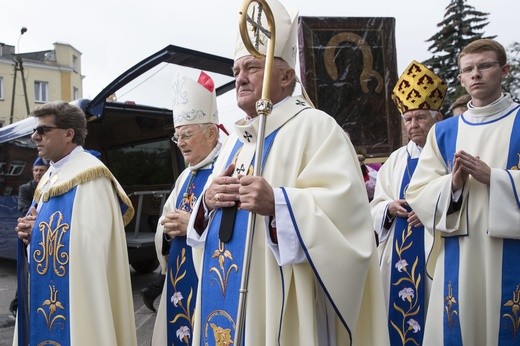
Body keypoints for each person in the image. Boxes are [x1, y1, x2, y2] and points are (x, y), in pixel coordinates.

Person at [186, 0, 389, 344]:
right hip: (230, 295)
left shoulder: (316, 127)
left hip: (284, 297)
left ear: (286, 76)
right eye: (236, 71)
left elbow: (347, 216)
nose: (240, 79)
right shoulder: (238, 141)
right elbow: (205, 224)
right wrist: (206, 202)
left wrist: (278, 203)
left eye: (252, 67)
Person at [406, 38, 520, 345]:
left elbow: (494, 178)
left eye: (485, 66)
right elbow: (418, 191)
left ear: (504, 70)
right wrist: (451, 185)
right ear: (460, 78)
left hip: (511, 251)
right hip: (461, 252)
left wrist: (494, 178)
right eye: (468, 69)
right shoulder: (444, 132)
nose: (476, 75)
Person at [14, 101, 137, 345]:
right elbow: (39, 225)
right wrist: (28, 233)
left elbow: (91, 245)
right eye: (35, 130)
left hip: (78, 298)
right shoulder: (50, 175)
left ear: (69, 134)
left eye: (42, 130)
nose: (34, 136)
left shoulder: (92, 176)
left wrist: (37, 232)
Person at [370, 60, 446, 345]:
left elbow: (461, 200)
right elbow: (375, 204)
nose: (414, 124)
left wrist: (430, 213)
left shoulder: (449, 153)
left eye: (421, 117)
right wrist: (388, 209)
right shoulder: (396, 160)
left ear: (437, 118)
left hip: (433, 247)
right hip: (398, 249)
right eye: (409, 118)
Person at [151, 71, 223, 345]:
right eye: (177, 136)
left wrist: (192, 222)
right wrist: (168, 231)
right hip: (179, 277)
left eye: (187, 135)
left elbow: (239, 229)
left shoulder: (228, 167)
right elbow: (166, 224)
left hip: (210, 279)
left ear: (211, 132)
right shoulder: (185, 176)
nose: (180, 143)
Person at [9, 157, 50, 318]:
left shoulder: (51, 185)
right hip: (29, 235)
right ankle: (17, 306)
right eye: (36, 170)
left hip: (47, 234)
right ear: (32, 172)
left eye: (42, 170)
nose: (39, 173)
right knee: (27, 271)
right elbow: (24, 208)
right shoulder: (26, 188)